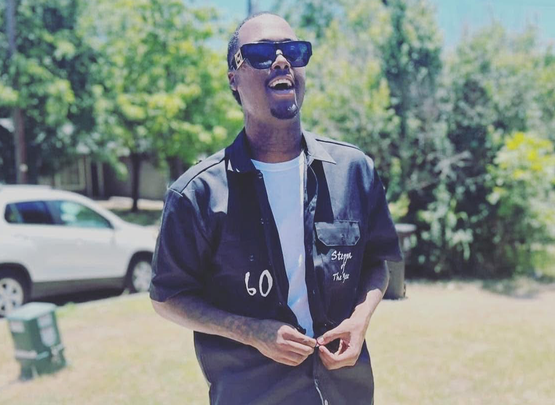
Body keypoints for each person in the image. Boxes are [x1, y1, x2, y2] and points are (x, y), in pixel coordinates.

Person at [149, 12, 402, 405]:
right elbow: (167, 297)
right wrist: (249, 331)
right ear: (233, 79)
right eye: (261, 54)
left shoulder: (353, 171)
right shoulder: (197, 194)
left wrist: (360, 319)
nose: (282, 61)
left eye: (293, 51)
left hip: (346, 392)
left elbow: (376, 263)